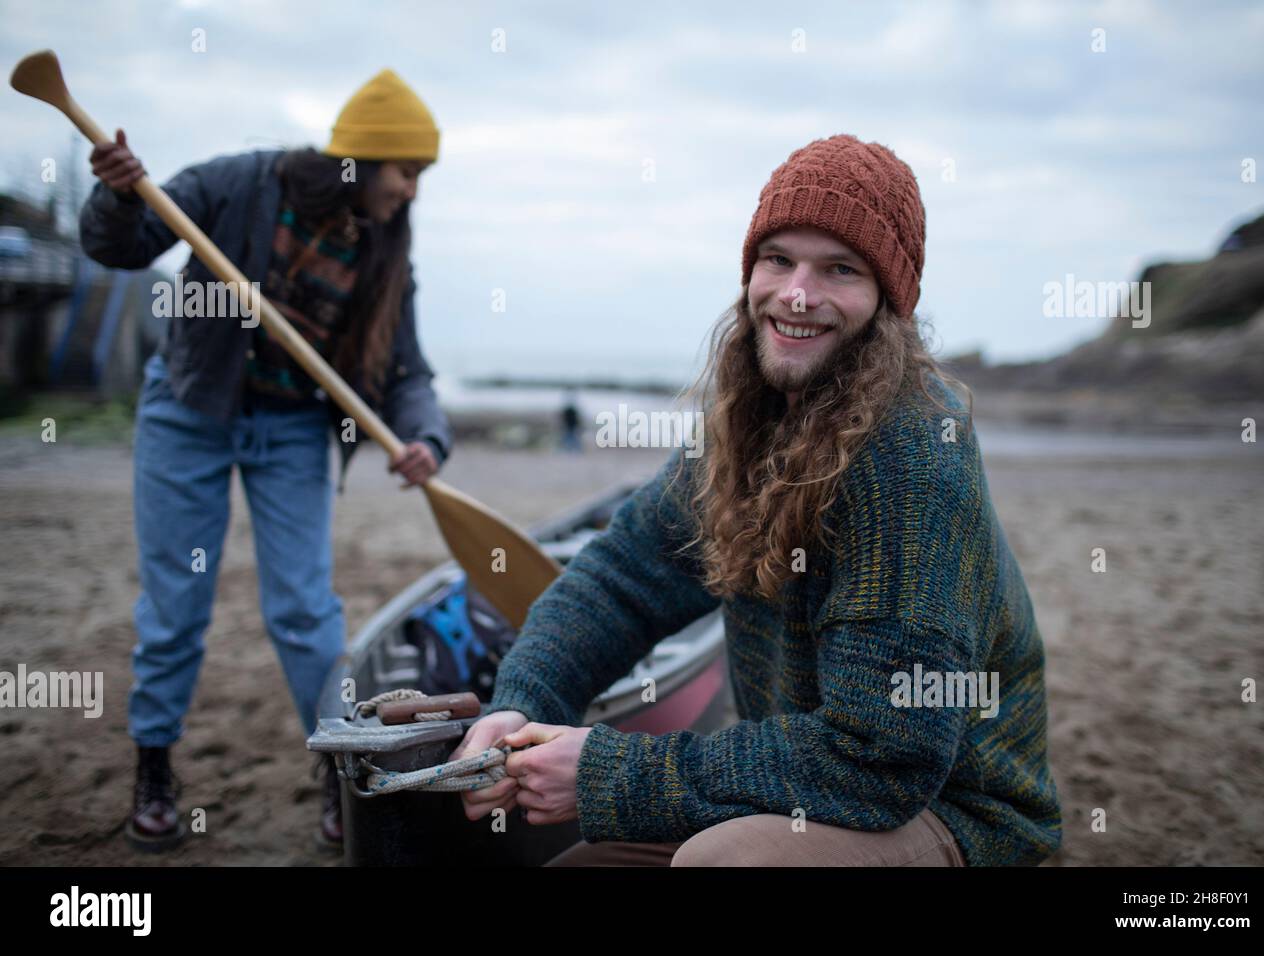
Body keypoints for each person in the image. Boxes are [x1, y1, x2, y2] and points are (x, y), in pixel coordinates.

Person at [450, 135, 1062, 866]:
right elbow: (622, 578)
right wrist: (526, 700)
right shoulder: (751, 418)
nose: (797, 294)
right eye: (778, 260)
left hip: (953, 811)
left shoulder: (912, 460)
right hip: (816, 786)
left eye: (839, 268)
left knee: (724, 863)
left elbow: (881, 757)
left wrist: (604, 772)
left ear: (889, 299)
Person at [78, 68, 454, 853]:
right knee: (176, 603)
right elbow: (125, 241)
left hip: (290, 430)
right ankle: (154, 769)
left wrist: (427, 437)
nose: (412, 191)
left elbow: (407, 371)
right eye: (407, 171)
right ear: (362, 158)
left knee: (304, 612)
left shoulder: (386, 247)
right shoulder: (237, 183)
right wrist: (116, 193)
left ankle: (336, 772)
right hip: (191, 411)